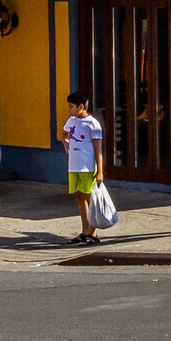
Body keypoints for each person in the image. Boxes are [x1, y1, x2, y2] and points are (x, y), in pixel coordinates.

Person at [62, 89, 106, 246]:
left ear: (81, 106)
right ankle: (84, 230)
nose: (69, 109)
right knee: (80, 197)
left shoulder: (93, 124)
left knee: (90, 198)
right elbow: (64, 134)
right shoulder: (72, 120)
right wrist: (67, 147)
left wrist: (100, 171)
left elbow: (98, 150)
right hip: (74, 166)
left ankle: (92, 232)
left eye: (72, 106)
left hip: (87, 167)